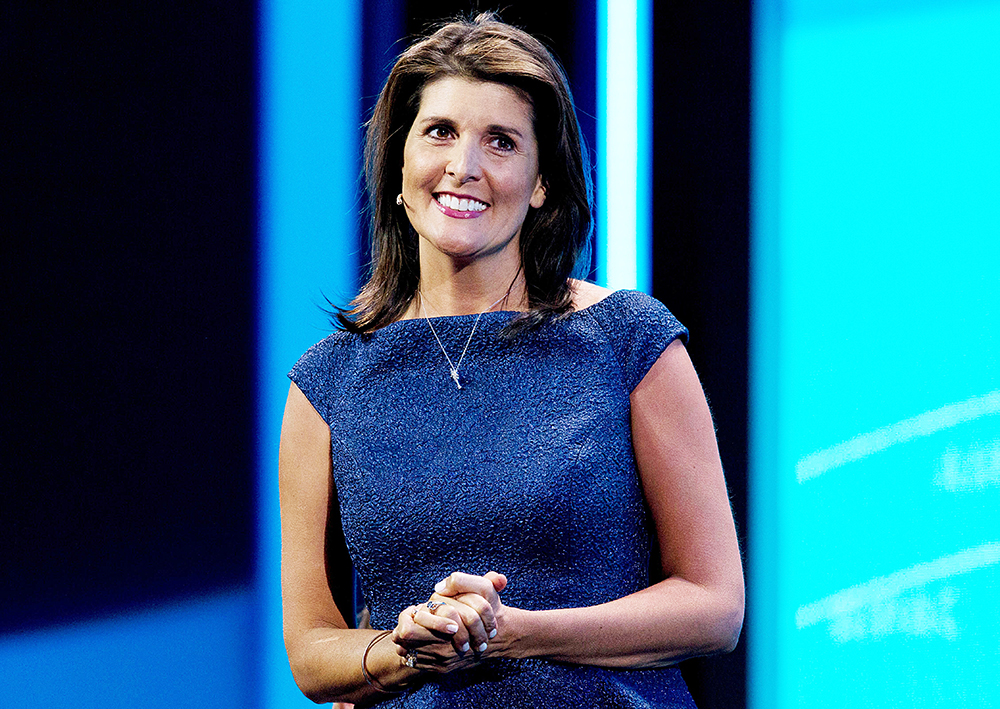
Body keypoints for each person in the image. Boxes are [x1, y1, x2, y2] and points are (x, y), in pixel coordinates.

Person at [278, 12, 743, 708]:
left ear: (541, 181)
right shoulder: (328, 382)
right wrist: (404, 647)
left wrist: (510, 632)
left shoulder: (627, 340)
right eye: (440, 132)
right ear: (400, 166)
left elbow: (714, 604)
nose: (463, 167)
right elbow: (312, 649)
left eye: (501, 141)